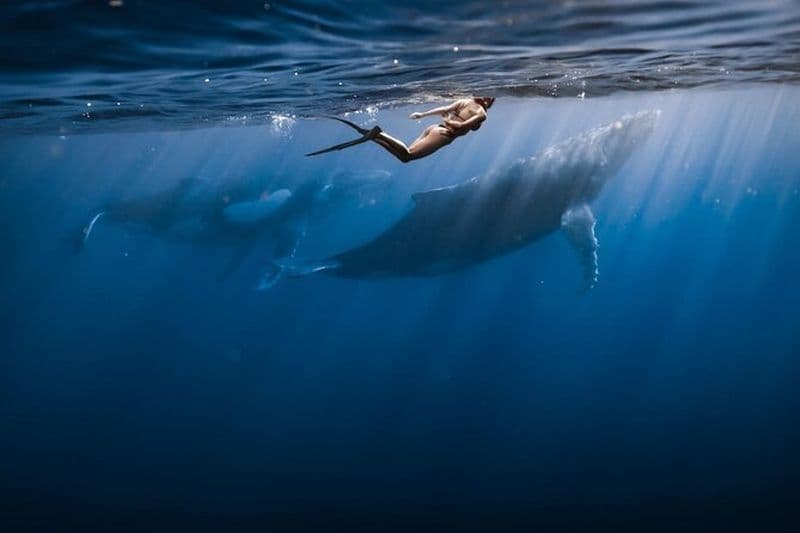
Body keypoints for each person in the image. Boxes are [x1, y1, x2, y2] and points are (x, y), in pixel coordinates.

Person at [306, 97, 495, 163]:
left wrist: (423, 114)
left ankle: (373, 136)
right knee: (407, 156)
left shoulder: (465, 100)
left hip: (434, 128)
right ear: (489, 101)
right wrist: (451, 122)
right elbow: (461, 126)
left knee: (404, 155)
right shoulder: (482, 113)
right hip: (445, 134)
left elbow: (444, 110)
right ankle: (378, 133)